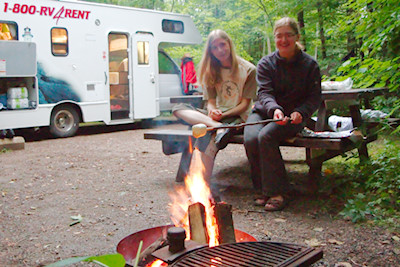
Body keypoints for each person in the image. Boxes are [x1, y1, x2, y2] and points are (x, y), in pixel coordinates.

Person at [243, 17, 321, 211]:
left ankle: (278, 191)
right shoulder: (266, 64)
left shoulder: (310, 65)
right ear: (274, 38)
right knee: (251, 136)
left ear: (297, 36)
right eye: (279, 36)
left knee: (267, 136)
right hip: (266, 112)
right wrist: (275, 109)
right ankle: (262, 189)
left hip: (294, 117)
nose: (283, 40)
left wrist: (300, 112)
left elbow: (314, 97)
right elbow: (264, 92)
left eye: (288, 35)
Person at [172, 29, 257, 179]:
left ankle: (205, 186)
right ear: (210, 50)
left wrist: (223, 115)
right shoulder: (210, 70)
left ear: (229, 44)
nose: (220, 50)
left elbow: (245, 105)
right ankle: (218, 127)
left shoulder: (249, 70)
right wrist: (213, 112)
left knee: (206, 136)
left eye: (222, 45)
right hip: (215, 118)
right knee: (178, 108)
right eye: (214, 47)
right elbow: (210, 102)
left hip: (236, 116)